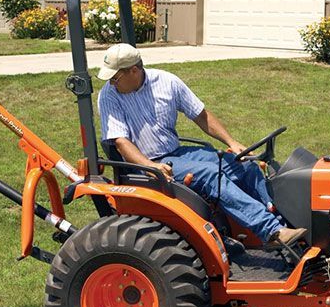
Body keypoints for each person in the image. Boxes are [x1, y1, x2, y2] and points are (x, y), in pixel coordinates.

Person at [96, 43, 308, 250]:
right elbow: (121, 142)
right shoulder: (109, 95)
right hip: (146, 164)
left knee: (245, 165)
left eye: (115, 77)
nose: (112, 83)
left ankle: (284, 222)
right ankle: (271, 231)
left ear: (134, 70)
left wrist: (232, 143)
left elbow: (200, 114)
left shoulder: (167, 82)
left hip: (177, 153)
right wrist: (151, 166)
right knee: (210, 174)